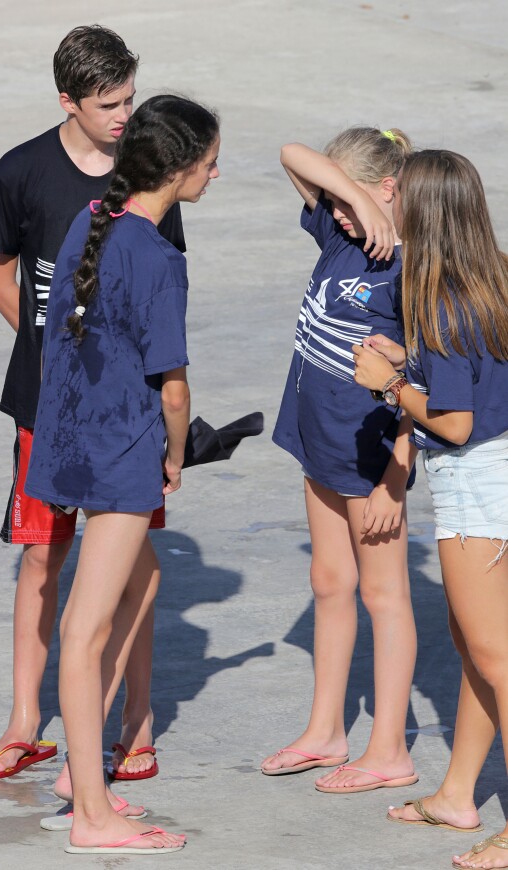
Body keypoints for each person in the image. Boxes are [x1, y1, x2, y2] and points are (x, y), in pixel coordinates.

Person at [0, 25, 185, 782]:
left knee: (129, 565)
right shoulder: (22, 171)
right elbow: (0, 276)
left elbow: (159, 298)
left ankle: (137, 720)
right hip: (45, 402)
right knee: (42, 555)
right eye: (108, 104)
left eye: (130, 97)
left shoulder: (146, 173)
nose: (125, 116)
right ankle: (26, 719)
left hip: (125, 417)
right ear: (69, 100)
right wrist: (62, 354)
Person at [23, 93, 220, 854]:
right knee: (85, 630)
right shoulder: (158, 256)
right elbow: (173, 388)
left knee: (101, 612)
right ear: (176, 168)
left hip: (69, 441)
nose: (214, 173)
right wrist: (176, 456)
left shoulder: (91, 222)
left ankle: (90, 793)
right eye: (209, 162)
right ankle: (90, 816)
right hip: (120, 451)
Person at [352, 149, 508, 870]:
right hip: (499, 474)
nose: (390, 194)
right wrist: (409, 365)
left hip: (474, 485)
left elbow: (454, 423)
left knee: (496, 658)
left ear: (426, 211)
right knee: (480, 650)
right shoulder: (490, 277)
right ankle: (456, 794)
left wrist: (389, 382)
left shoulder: (441, 300)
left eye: (399, 190)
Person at [261, 127, 420, 795]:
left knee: (384, 595)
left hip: (371, 459)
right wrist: (352, 197)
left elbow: (429, 388)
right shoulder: (341, 234)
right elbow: (289, 152)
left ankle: (388, 749)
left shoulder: (407, 268)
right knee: (330, 583)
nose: (335, 212)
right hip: (316, 443)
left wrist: (396, 476)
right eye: (333, 201)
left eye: (348, 203)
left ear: (391, 191)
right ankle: (327, 729)